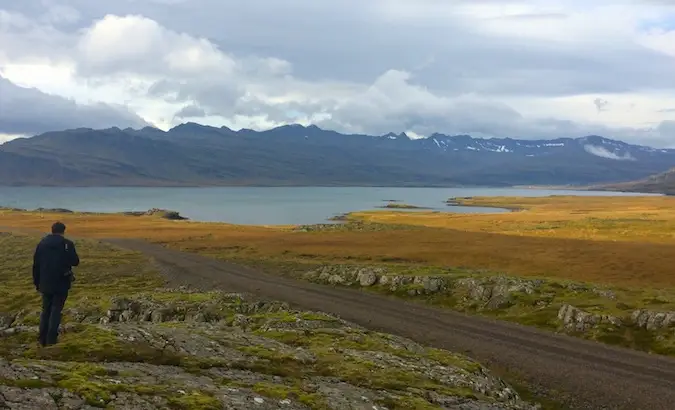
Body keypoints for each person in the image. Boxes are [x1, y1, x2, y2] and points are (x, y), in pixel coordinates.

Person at [32, 221, 79, 347]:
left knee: (45, 310)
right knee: (56, 310)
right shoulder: (67, 244)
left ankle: (42, 340)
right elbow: (75, 261)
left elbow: (36, 265)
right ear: (63, 231)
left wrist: (37, 282)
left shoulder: (41, 244)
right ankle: (51, 340)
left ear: (52, 230)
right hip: (61, 283)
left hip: (45, 283)